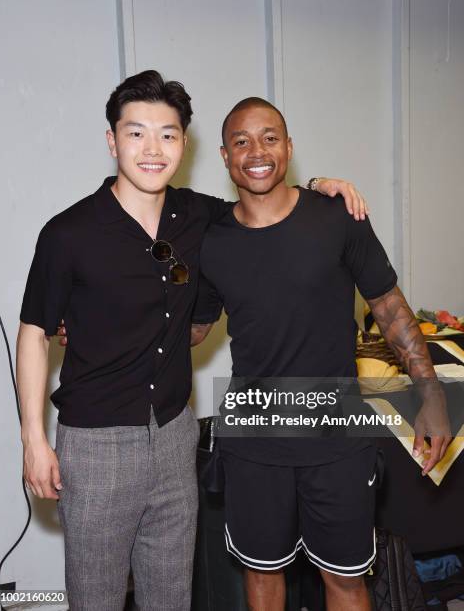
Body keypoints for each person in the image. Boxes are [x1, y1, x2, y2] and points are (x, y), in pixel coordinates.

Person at [17, 70, 368, 611]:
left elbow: (265, 189)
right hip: (96, 443)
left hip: (177, 436)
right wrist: (33, 440)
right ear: (112, 141)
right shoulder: (68, 234)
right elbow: (35, 332)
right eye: (136, 133)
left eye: (168, 134)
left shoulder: (197, 215)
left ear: (185, 142)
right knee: (96, 599)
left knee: (171, 598)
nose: (152, 149)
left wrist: (323, 184)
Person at [191, 97, 451, 611]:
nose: (256, 151)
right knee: (263, 578)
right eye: (241, 141)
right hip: (254, 436)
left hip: (336, 433)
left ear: (289, 148)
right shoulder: (211, 239)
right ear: (224, 156)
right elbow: (193, 328)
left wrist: (431, 392)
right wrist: (101, 327)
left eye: (269, 138)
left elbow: (390, 306)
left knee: (347, 580)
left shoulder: (338, 216)